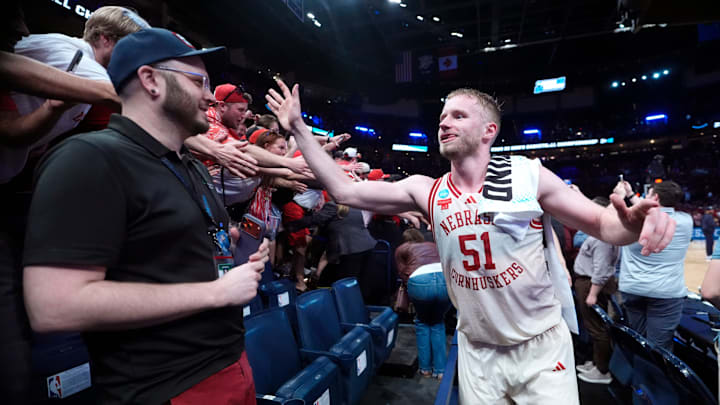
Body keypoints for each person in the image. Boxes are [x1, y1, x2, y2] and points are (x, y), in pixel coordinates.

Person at [267, 79, 675, 404]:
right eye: (442, 116)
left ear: (488, 131)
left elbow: (606, 226)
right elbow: (344, 191)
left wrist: (634, 226)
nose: (444, 122)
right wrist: (300, 128)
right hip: (477, 349)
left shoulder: (527, 175)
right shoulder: (425, 189)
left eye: (458, 116)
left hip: (540, 348)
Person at [22, 28, 269, 404]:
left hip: (230, 364)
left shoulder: (188, 165)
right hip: (167, 387)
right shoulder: (90, 158)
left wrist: (231, 248)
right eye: (199, 81)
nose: (209, 96)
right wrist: (216, 291)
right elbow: (54, 308)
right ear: (150, 80)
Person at [613, 180, 692, 351]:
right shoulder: (686, 221)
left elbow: (640, 213)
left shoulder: (634, 222)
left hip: (632, 288)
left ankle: (641, 374)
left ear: (655, 197)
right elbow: (651, 212)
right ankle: (658, 377)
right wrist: (631, 195)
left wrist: (621, 197)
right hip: (666, 293)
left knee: (638, 342)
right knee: (660, 348)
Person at [573, 197, 619, 385]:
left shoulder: (603, 237)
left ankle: (602, 371)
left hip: (592, 284)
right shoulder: (600, 233)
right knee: (594, 328)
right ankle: (596, 362)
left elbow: (601, 269)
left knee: (597, 329)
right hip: (589, 282)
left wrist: (592, 293)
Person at [395, 229, 451, 379]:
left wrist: (411, 293)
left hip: (420, 282)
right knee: (438, 323)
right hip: (444, 280)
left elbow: (403, 273)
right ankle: (440, 371)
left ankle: (425, 369)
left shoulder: (402, 249)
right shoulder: (433, 245)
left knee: (422, 323)